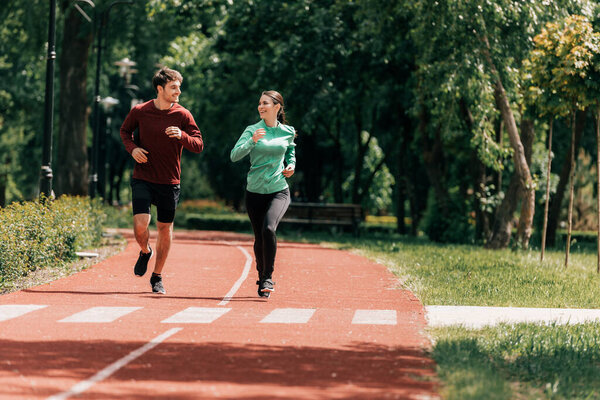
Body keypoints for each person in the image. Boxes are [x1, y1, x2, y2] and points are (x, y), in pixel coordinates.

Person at [120, 67, 204, 294]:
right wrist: (133, 149)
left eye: (179, 87)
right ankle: (145, 251)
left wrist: (182, 135)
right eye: (173, 87)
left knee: (165, 228)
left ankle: (157, 276)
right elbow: (125, 132)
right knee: (140, 227)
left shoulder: (183, 115)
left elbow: (198, 144)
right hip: (143, 177)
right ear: (160, 89)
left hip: (169, 181)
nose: (178, 91)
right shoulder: (140, 111)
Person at [230, 90, 296, 298]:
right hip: (254, 192)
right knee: (259, 236)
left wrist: (291, 164)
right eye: (259, 103)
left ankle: (268, 276)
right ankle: (261, 277)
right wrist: (252, 142)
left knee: (269, 228)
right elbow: (234, 156)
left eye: (265, 103)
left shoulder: (288, 131)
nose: (260, 106)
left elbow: (291, 151)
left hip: (278, 190)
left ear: (277, 107)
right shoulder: (252, 130)